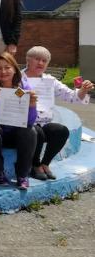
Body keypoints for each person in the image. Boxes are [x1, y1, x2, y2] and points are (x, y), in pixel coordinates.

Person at [22, 46, 93, 180]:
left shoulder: (50, 81)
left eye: (44, 61)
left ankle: (45, 163)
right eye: (37, 59)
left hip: (43, 123)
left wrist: (83, 90)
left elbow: (72, 96)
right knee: (37, 131)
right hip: (24, 125)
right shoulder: (18, 78)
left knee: (61, 131)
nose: (41, 63)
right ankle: (35, 165)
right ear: (28, 60)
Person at [0, 52, 38, 190]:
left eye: (7, 67)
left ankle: (22, 175)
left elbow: (30, 121)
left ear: (14, 69)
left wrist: (32, 105)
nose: (3, 72)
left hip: (17, 134)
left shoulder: (24, 88)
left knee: (30, 131)